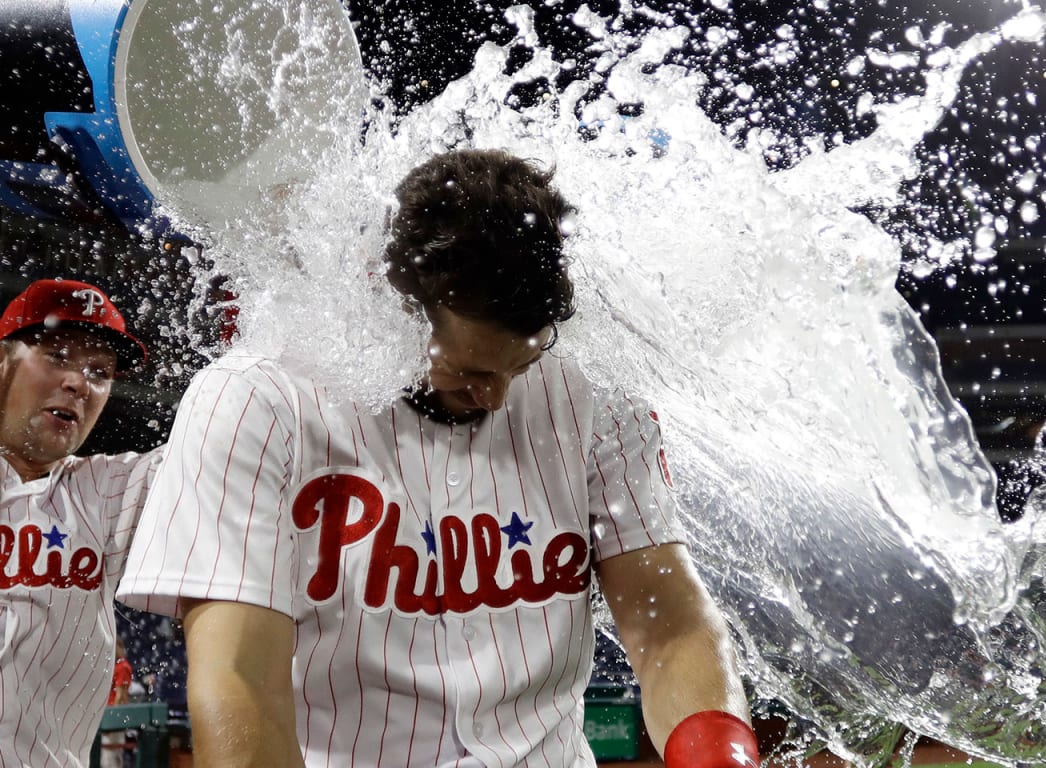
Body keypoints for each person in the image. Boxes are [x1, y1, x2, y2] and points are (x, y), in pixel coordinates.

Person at [118, 149, 759, 767]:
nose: (497, 394)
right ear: (394, 312)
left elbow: (668, 623)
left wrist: (719, 753)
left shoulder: (594, 391)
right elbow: (239, 678)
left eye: (521, 366)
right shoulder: (259, 397)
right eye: (470, 369)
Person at [0, 278, 160, 766]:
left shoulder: (107, 491)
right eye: (56, 355)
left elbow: (224, 443)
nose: (78, 382)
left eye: (99, 371)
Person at [101, 639, 135, 768]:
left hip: (115, 718)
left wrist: (111, 722)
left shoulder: (123, 667)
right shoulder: (113, 665)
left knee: (109, 759)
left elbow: (120, 697)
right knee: (107, 757)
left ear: (120, 647)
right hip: (108, 715)